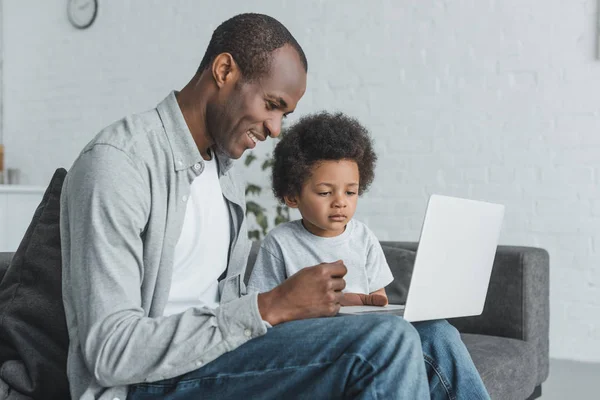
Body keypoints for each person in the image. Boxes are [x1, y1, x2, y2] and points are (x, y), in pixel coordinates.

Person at [59, 13, 471, 400]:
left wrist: (313, 312)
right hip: (148, 383)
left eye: (284, 115)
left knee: (435, 335)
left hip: (222, 356)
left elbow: (232, 309)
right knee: (385, 343)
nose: (276, 130)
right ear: (224, 71)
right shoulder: (118, 162)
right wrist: (271, 305)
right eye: (272, 105)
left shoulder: (223, 177)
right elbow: (109, 352)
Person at [247, 111, 490, 400]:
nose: (340, 202)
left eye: (351, 192)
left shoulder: (362, 237)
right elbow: (263, 319)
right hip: (318, 342)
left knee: (440, 333)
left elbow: (379, 303)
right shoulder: (280, 243)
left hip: (369, 333)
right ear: (292, 196)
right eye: (325, 193)